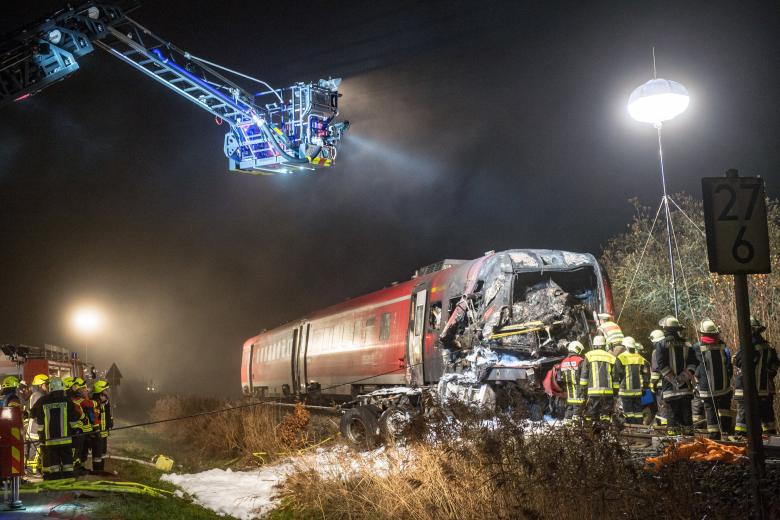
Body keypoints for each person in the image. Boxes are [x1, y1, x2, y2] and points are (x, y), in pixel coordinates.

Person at [734, 317, 779, 436]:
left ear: (751, 330)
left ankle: (741, 440)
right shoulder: (769, 346)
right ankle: (771, 441)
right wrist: (768, 374)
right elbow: (775, 365)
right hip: (765, 390)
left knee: (743, 420)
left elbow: (738, 361)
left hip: (747, 389)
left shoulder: (748, 345)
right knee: (767, 419)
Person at [30, 377, 81, 480]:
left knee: (54, 466)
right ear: (62, 388)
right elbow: (74, 419)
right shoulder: (67, 401)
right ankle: (69, 481)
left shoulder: (43, 400)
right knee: (68, 465)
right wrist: (76, 432)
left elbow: (33, 414)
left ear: (50, 388)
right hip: (66, 440)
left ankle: (55, 480)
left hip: (50, 441)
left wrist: (41, 434)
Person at [692, 319, 733, 439]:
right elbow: (728, 364)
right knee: (725, 410)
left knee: (711, 412)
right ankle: (727, 433)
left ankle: (715, 437)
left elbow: (695, 366)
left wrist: (697, 378)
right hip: (724, 387)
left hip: (707, 388)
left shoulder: (697, 347)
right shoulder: (722, 345)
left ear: (702, 333)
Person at [655, 316, 698, 432]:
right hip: (686, 389)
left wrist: (674, 380)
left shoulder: (661, 344)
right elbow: (693, 364)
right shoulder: (687, 344)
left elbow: (661, 365)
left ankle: (673, 442)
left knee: (673, 422)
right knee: (687, 421)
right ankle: (689, 441)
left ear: (665, 329)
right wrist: (683, 378)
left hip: (670, 390)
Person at [579, 335, 618, 422]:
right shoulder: (611, 357)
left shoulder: (589, 356)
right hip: (607, 393)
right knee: (605, 416)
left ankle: (591, 429)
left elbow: (584, 374)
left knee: (591, 415)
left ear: (594, 345)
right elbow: (615, 376)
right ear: (604, 345)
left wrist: (583, 389)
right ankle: (605, 429)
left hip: (592, 393)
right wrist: (615, 391)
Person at [614, 337, 650, 424]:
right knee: (638, 412)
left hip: (625, 391)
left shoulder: (621, 358)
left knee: (628, 412)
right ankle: (639, 427)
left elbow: (617, 374)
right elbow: (646, 374)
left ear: (625, 346)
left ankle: (631, 427)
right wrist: (644, 387)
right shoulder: (641, 358)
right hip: (638, 391)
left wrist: (616, 388)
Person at [557, 340, 586, 421]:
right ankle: (576, 425)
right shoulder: (580, 360)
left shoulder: (563, 362)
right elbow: (585, 375)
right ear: (577, 349)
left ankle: (567, 424)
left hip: (568, 395)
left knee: (569, 412)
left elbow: (559, 379)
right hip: (579, 393)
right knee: (578, 413)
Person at [27, 374, 49, 474]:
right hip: (36, 428)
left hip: (37, 427)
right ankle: (31, 470)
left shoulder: (38, 395)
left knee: (38, 450)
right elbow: (37, 413)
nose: (48, 386)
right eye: (46, 384)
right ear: (40, 385)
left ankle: (35, 469)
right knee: (35, 450)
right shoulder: (38, 396)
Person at [648, 329, 669, 427]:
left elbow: (656, 371)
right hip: (671, 384)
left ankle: (665, 428)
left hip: (661, 385)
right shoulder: (669, 349)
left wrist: (652, 383)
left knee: (663, 407)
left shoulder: (656, 352)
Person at [91, 380, 112, 473]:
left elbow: (107, 415)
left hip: (103, 433)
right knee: (97, 455)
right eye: (105, 390)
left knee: (103, 454)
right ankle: (97, 471)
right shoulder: (94, 403)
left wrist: (110, 422)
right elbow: (94, 418)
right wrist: (96, 431)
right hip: (97, 433)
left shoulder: (105, 402)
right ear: (100, 391)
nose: (107, 392)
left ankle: (101, 470)